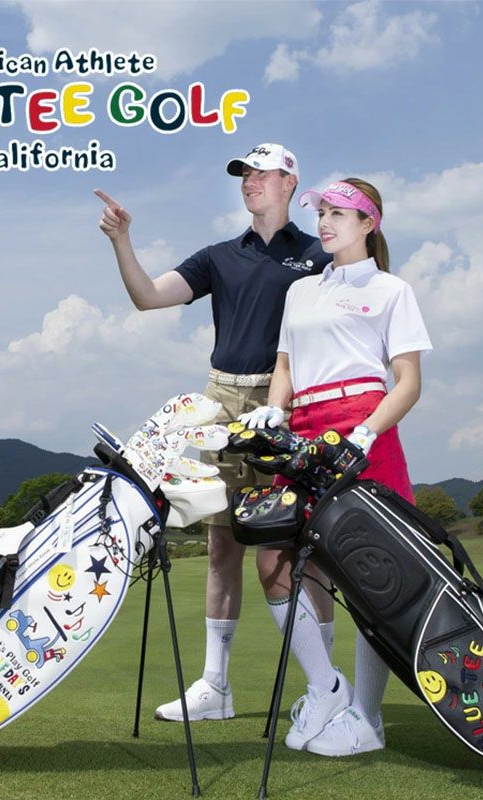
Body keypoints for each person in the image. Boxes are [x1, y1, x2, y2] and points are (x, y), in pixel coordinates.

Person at [94, 144, 331, 721]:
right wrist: (122, 240)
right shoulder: (220, 256)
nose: (249, 181)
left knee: (294, 548)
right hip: (223, 404)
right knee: (222, 546)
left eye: (260, 173)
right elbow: (149, 297)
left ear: (289, 182)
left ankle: (326, 689)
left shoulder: (319, 253)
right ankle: (215, 687)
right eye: (244, 174)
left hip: (289, 405)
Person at [240, 178, 432, 754]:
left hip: (364, 425)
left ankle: (367, 719)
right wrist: (274, 410)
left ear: (369, 223)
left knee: (375, 576)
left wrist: (367, 433)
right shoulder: (300, 291)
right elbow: (285, 365)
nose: (324, 223)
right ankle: (325, 688)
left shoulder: (391, 290)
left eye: (338, 214)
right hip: (303, 430)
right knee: (275, 560)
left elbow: (408, 382)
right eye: (321, 213)